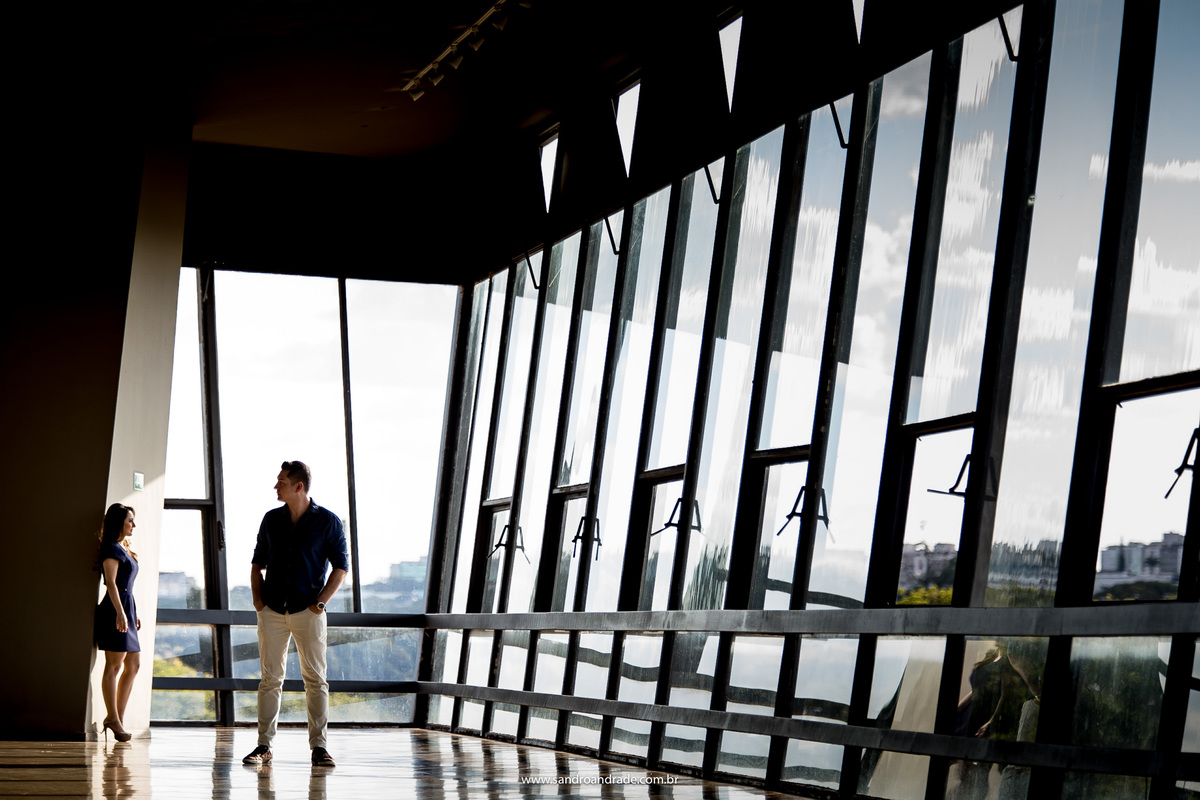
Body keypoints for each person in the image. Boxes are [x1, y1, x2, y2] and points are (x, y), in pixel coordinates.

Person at [243, 461, 348, 768]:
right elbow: (256, 564)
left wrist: (320, 604)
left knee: (316, 680)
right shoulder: (271, 520)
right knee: (269, 680)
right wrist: (258, 602)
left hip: (309, 610)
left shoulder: (328, 522)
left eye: (282, 482)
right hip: (272, 610)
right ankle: (264, 746)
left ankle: (319, 747)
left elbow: (341, 567)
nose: (276, 487)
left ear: (298, 486)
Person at [94, 503, 141, 742]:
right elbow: (111, 583)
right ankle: (113, 718)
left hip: (126, 609)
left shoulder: (124, 548)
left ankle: (116, 719)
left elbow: (127, 588)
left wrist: (133, 613)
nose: (134, 524)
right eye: (130, 520)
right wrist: (120, 613)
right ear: (119, 522)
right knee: (114, 665)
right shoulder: (111, 548)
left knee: (133, 665)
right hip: (114, 610)